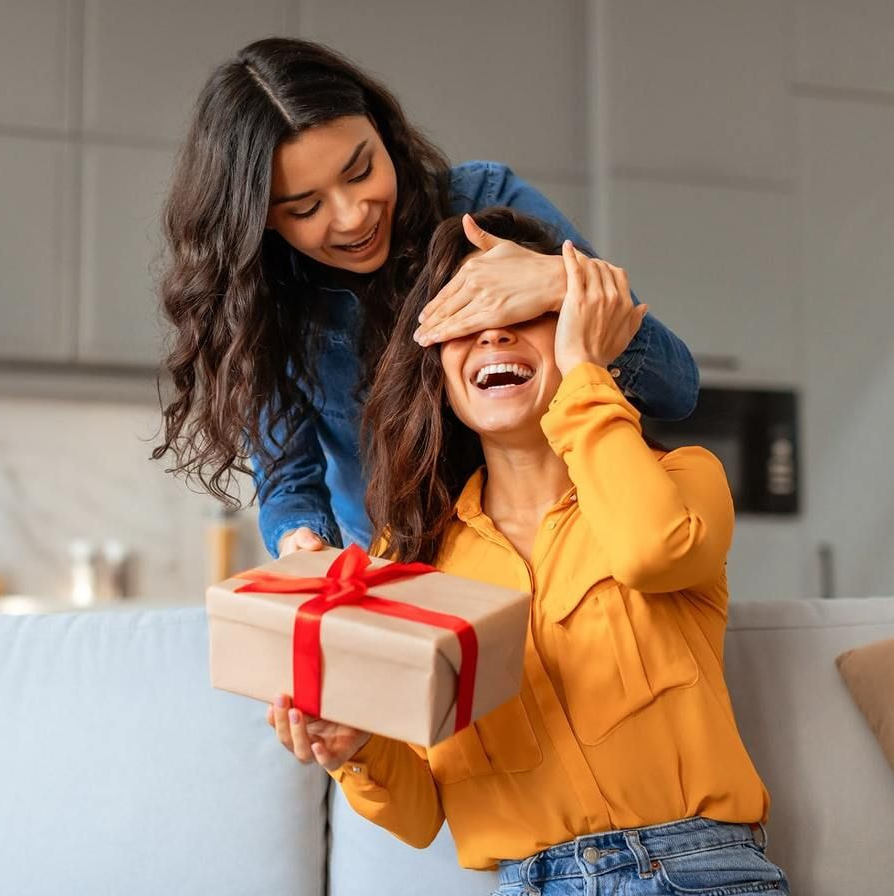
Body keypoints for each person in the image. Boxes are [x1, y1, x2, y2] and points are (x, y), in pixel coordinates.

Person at [266, 209, 790, 895]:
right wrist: (355, 747)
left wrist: (584, 369)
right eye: (465, 315)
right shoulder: (409, 560)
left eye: (524, 309)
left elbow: (651, 553)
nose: (494, 331)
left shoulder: (684, 479)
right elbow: (421, 814)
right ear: (437, 370)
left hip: (697, 870)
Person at [153, 38, 699, 557]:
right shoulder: (263, 299)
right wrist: (303, 542)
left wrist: (562, 281)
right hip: (405, 569)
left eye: (361, 171)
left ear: (381, 130)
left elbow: (675, 390)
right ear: (261, 221)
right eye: (305, 208)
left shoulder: (483, 203)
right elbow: (289, 483)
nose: (353, 216)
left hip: (562, 551)